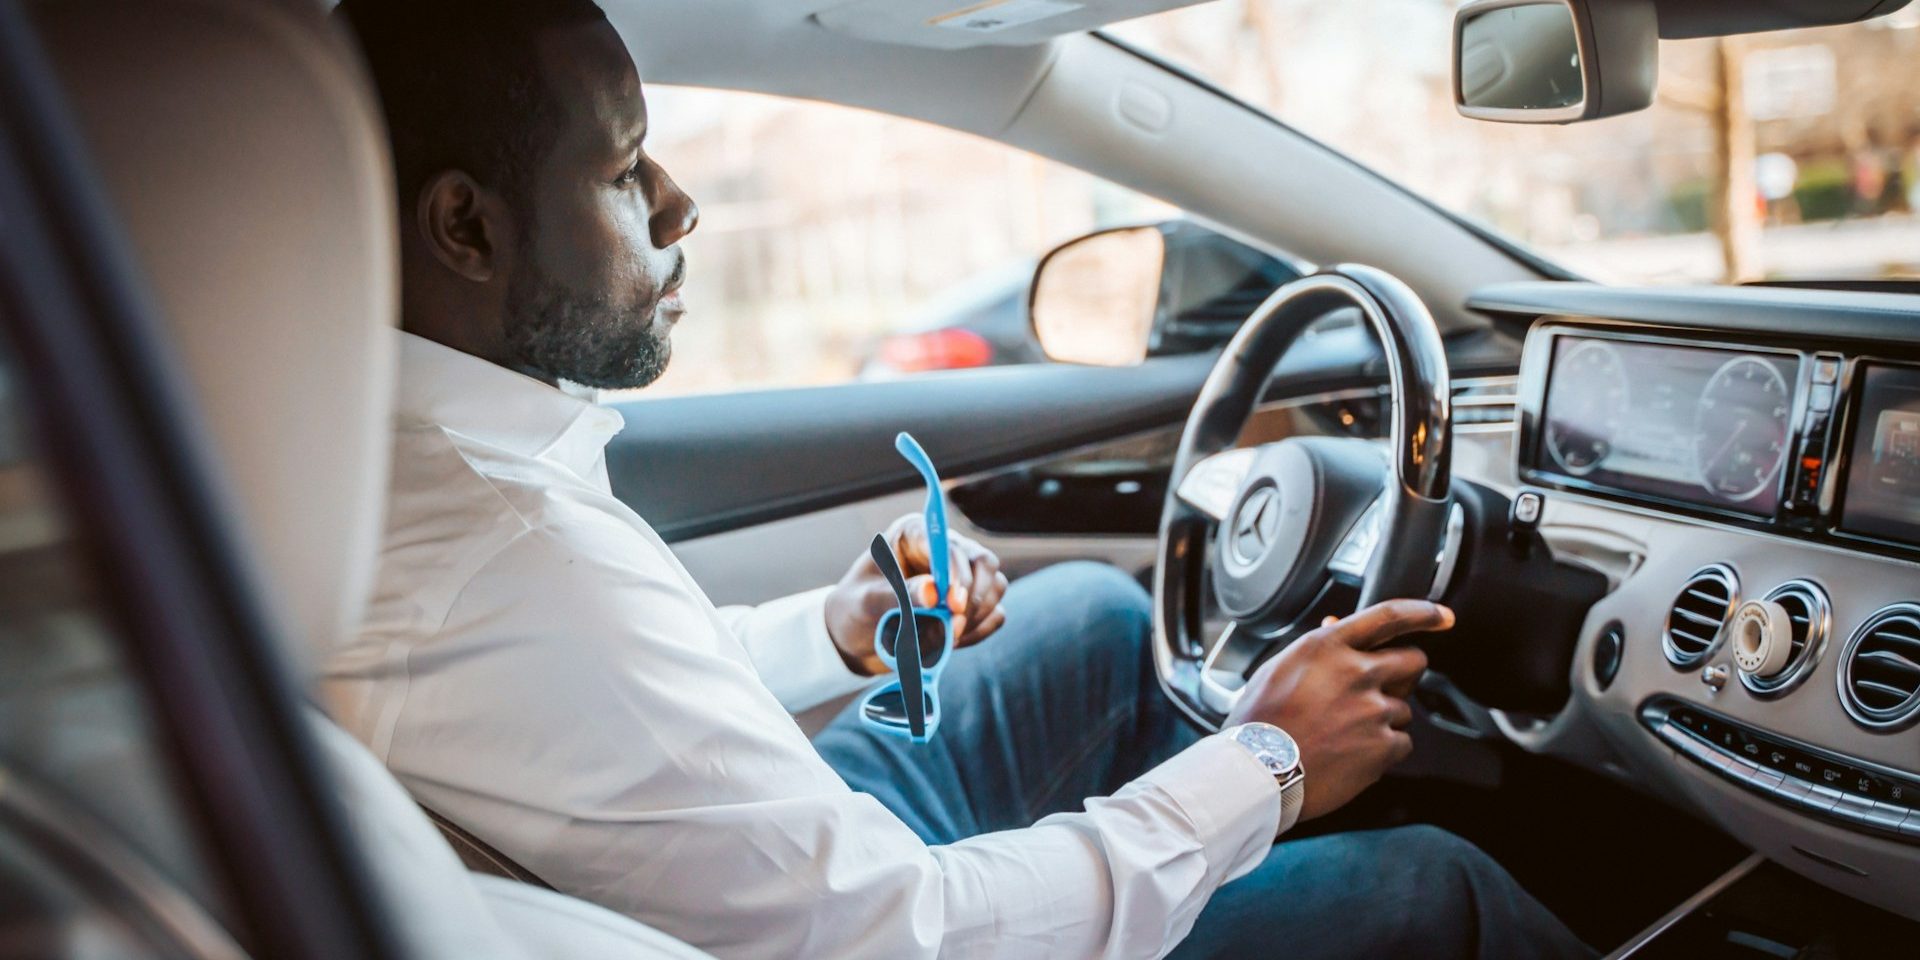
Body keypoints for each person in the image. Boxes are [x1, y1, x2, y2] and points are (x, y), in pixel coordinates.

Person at [325, 1, 1593, 957]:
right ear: (466, 228)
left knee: (1096, 617)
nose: (679, 204)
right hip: (877, 930)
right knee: (1434, 891)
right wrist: (1268, 763)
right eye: (621, 169)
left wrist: (835, 631)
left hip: (741, 880)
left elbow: (606, 717)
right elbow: (909, 935)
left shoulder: (383, 465)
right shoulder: (502, 556)